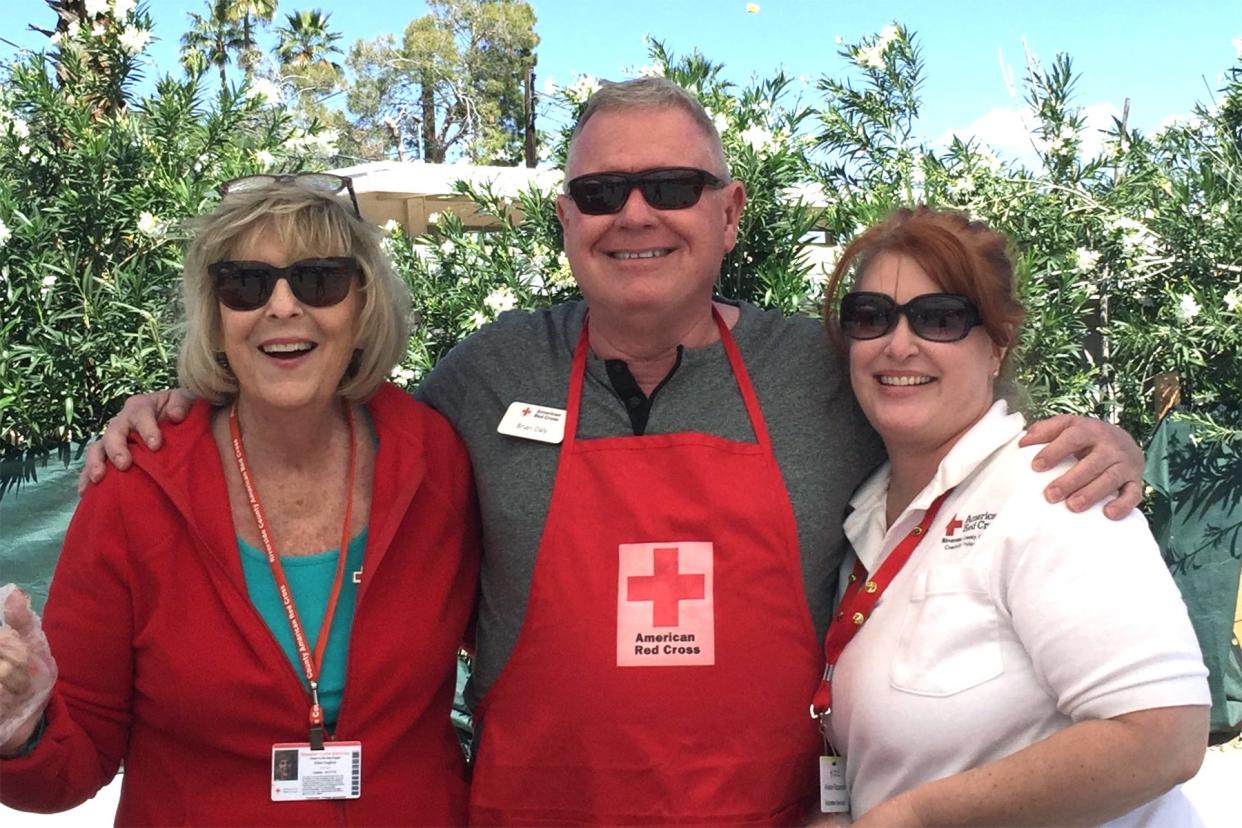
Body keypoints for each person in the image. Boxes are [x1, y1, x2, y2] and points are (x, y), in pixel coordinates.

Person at [79, 79, 1147, 824]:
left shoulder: (819, 370)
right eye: (600, 193)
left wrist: (1089, 437)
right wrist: (188, 399)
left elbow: (944, 396)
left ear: (729, 214)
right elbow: (321, 402)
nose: (634, 213)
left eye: (671, 188)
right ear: (567, 221)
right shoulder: (487, 376)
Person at [0, 175, 479, 824]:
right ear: (217, 318)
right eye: (246, 284)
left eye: (318, 280)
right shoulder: (136, 488)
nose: (282, 307)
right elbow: (72, 760)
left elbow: (524, 643)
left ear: (362, 308)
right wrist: (18, 725)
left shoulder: (437, 463)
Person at [813, 206, 1209, 826]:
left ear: (997, 346)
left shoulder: (1055, 492)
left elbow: (1164, 736)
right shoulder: (866, 514)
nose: (898, 343)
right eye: (870, 318)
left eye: (939, 318)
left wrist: (914, 818)